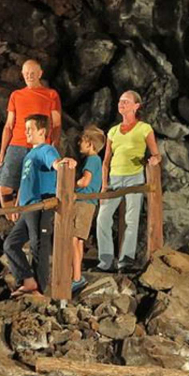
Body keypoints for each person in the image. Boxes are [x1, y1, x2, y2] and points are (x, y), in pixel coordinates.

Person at [3, 114, 70, 297]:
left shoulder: (46, 149)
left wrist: (61, 164)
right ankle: (27, 280)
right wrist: (18, 205)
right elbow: (26, 181)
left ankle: (39, 288)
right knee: (10, 244)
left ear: (42, 131)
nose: (26, 132)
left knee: (38, 245)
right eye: (25, 129)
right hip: (27, 207)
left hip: (41, 204)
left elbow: (55, 162)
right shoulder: (30, 154)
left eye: (30, 129)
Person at [97, 91, 161, 273]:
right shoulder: (113, 131)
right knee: (103, 217)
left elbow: (156, 153)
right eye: (120, 101)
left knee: (131, 220)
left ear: (136, 106)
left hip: (134, 176)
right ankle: (106, 260)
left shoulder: (144, 128)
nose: (121, 104)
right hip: (115, 178)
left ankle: (126, 260)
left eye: (126, 101)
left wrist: (155, 159)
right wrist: (104, 184)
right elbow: (106, 160)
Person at [0, 60, 62, 218]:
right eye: (26, 74)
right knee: (4, 187)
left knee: (29, 187)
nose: (29, 76)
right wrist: (2, 152)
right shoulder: (16, 95)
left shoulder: (51, 95)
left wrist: (53, 146)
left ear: (40, 74)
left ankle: (25, 222)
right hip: (17, 143)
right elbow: (9, 125)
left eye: (33, 73)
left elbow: (57, 124)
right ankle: (13, 219)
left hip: (39, 145)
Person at [71, 125, 105, 294]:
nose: (79, 144)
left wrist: (70, 186)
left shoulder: (92, 160)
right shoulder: (97, 160)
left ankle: (76, 278)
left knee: (72, 239)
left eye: (83, 141)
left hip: (83, 203)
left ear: (90, 144)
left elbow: (85, 181)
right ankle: (76, 276)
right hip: (89, 204)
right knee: (78, 240)